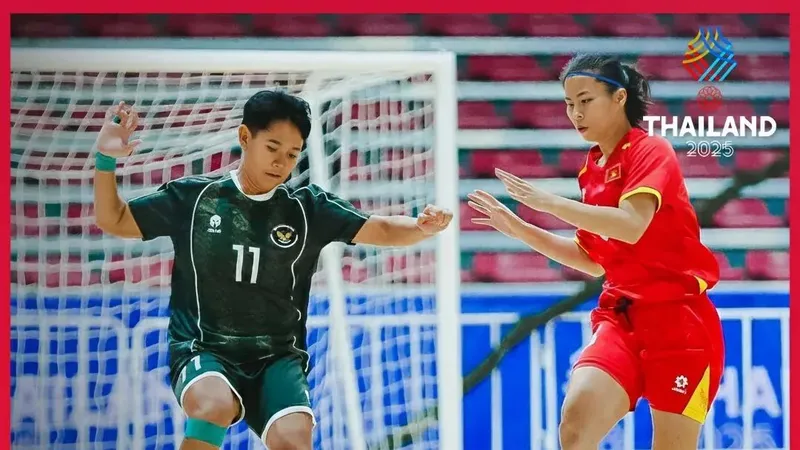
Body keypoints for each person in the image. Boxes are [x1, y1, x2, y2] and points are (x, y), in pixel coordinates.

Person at [92, 90, 453, 450]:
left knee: (294, 439)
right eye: (273, 147)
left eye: (292, 154)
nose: (281, 162)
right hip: (204, 348)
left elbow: (382, 228)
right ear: (245, 137)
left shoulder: (308, 210)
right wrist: (106, 160)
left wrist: (422, 227)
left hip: (277, 358)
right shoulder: (194, 199)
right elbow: (115, 218)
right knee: (214, 405)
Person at [468, 54, 724, 450]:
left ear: (619, 98)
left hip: (679, 321)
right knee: (576, 424)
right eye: (569, 104)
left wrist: (550, 203)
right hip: (621, 317)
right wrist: (520, 228)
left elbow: (631, 225)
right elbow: (590, 258)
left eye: (585, 100)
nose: (575, 113)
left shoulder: (651, 150)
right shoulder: (591, 170)